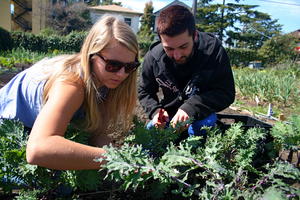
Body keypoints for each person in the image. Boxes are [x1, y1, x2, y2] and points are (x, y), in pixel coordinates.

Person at [0, 15, 140, 170]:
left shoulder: (108, 82)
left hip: (33, 127)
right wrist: (115, 159)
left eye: (129, 67)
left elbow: (100, 137)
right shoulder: (71, 85)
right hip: (6, 127)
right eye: (113, 65)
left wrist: (122, 165)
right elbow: (37, 149)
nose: (122, 74)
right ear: (92, 56)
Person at [138, 5, 235, 136]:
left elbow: (225, 92)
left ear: (194, 35)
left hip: (200, 115)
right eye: (169, 49)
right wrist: (155, 113)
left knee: (201, 127)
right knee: (149, 137)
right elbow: (144, 91)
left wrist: (191, 108)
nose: (177, 55)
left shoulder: (213, 51)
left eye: (183, 47)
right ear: (161, 40)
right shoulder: (154, 57)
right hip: (169, 115)